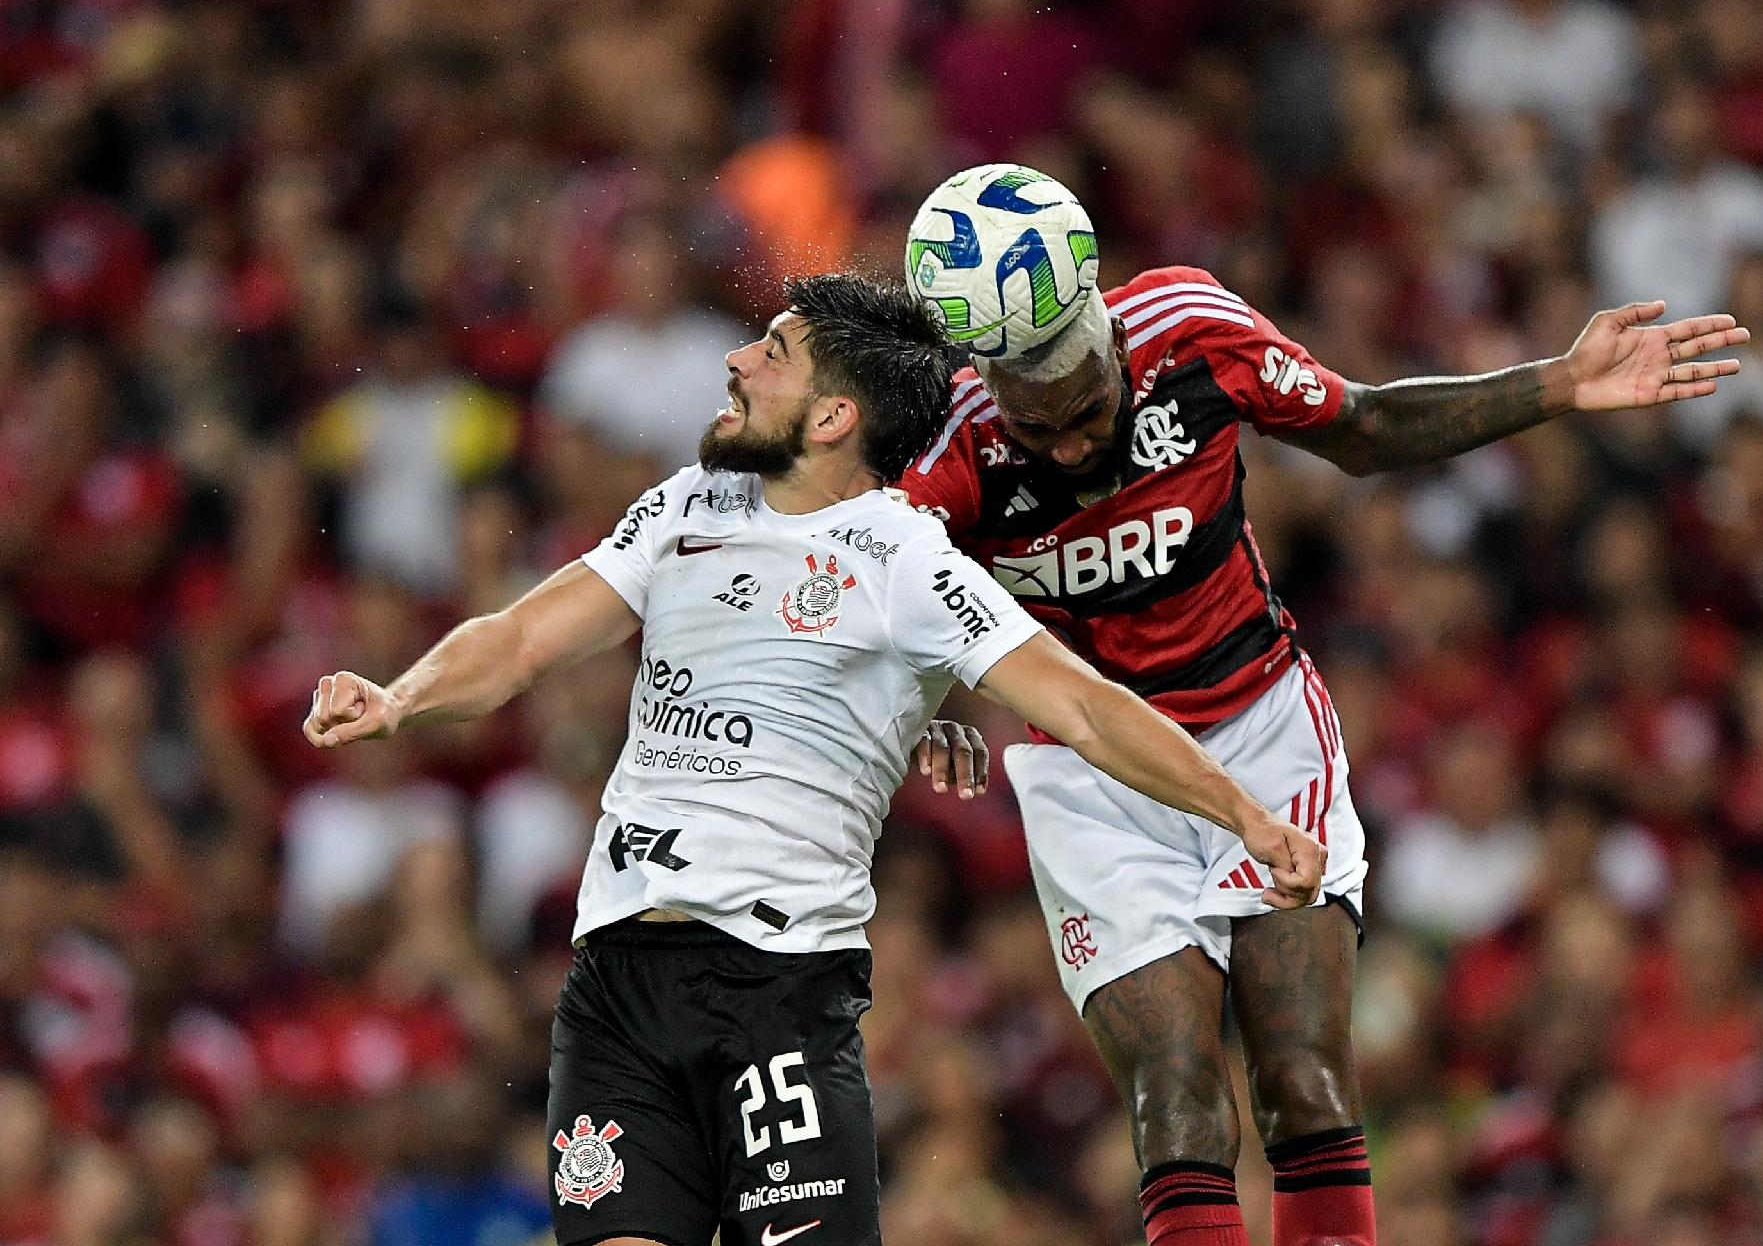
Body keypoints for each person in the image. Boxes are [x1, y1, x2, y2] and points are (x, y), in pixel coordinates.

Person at [301, 272, 1327, 1246]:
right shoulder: (686, 505)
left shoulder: (903, 558)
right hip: (617, 981)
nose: (738, 360)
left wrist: (1247, 815)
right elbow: (522, 637)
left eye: (775, 352)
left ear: (835, 417)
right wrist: (401, 698)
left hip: (779, 991)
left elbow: (1086, 708)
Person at [900, 171, 1748, 1246]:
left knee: (1301, 1071)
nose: (1069, 450)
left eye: (1082, 414)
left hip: (1260, 726)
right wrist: (918, 695)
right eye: (1040, 430)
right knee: (1177, 1092)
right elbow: (878, 589)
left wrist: (1557, 384)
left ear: (1103, 330)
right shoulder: (948, 446)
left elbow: (1362, 425)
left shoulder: (1194, 332)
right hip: (1095, 776)